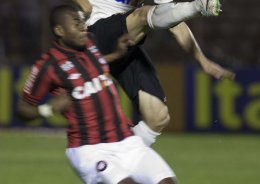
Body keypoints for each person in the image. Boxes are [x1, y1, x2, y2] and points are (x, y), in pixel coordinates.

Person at [17, 4, 177, 184]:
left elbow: (97, 63)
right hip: (90, 149)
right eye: (76, 23)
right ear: (60, 30)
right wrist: (47, 110)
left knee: (167, 182)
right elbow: (22, 109)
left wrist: (117, 54)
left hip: (127, 141)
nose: (82, 26)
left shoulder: (90, 43)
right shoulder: (47, 65)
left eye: (82, 21)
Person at [73, 0, 235, 146]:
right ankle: (198, 5)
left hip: (125, 43)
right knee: (143, 14)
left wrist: (203, 61)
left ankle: (122, 154)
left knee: (157, 117)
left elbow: (173, 18)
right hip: (96, 36)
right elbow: (85, 7)